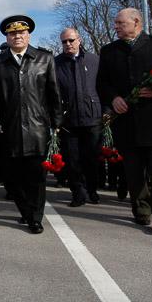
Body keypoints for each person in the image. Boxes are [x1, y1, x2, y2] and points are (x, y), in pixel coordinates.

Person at [96, 8, 152, 234]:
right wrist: (114, 99)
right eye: (115, 23)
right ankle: (141, 211)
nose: (116, 27)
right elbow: (102, 83)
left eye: (120, 23)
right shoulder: (109, 51)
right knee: (133, 172)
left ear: (136, 22)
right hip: (127, 122)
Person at [0, 15, 62, 234]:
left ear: (28, 34)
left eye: (21, 32)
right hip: (9, 130)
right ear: (7, 37)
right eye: (12, 33)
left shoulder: (44, 58)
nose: (17, 36)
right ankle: (26, 210)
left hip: (38, 128)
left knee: (36, 178)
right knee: (12, 179)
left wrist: (56, 123)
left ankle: (34, 217)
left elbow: (53, 93)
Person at [54, 27, 102, 207]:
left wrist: (104, 111)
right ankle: (78, 193)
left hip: (92, 118)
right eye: (64, 42)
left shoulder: (94, 60)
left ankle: (92, 190)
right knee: (72, 160)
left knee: (91, 158)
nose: (68, 44)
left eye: (71, 40)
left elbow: (102, 86)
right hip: (69, 121)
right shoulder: (56, 63)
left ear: (79, 40)